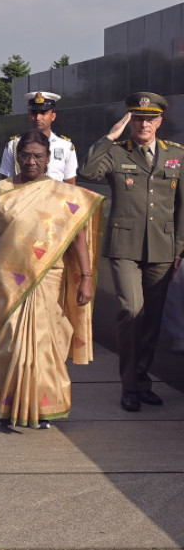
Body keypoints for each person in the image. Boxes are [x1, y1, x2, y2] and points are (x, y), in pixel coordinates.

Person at [0, 130, 104, 429]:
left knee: (45, 342)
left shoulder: (63, 195)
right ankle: (8, 406)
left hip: (48, 277)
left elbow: (78, 238)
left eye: (38, 156)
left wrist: (86, 278)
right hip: (6, 280)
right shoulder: (2, 190)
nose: (31, 161)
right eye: (25, 155)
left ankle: (44, 407)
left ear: (48, 160)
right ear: (16, 158)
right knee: (11, 343)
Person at [77, 92, 184, 412]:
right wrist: (110, 137)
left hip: (162, 248)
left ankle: (141, 379)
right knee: (130, 310)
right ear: (130, 121)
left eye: (150, 119)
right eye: (138, 119)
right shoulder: (116, 152)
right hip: (124, 247)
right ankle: (129, 386)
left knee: (151, 319)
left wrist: (179, 248)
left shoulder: (176, 155)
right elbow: (88, 171)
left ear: (160, 121)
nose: (144, 125)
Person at [0, 92, 78, 183]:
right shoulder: (13, 145)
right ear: (29, 115)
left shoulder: (66, 146)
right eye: (34, 113)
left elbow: (70, 185)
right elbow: (6, 184)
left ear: (53, 116)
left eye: (43, 113)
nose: (38, 117)